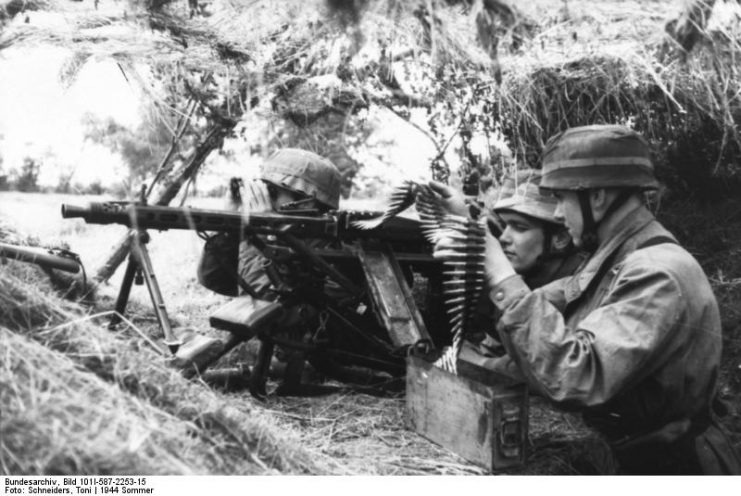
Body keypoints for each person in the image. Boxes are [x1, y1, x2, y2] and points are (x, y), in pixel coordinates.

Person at [481, 124, 741, 474]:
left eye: (560, 198)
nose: (557, 214)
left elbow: (575, 376)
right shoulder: (615, 260)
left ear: (597, 197)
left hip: (677, 467)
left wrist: (501, 275)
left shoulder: (655, 272)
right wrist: (483, 369)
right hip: (639, 457)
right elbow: (553, 323)